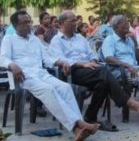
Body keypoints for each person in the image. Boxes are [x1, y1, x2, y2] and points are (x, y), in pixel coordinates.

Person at [0, 10, 100, 141]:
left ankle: (79, 128)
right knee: (49, 90)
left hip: (40, 74)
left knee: (65, 88)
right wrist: (12, 65)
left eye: (29, 22)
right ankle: (78, 126)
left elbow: (47, 59)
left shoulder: (35, 40)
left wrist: (62, 62)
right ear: (15, 26)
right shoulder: (9, 39)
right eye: (24, 23)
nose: (28, 25)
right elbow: (2, 58)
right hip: (22, 77)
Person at [49, 10, 139, 123]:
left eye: (76, 20)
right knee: (103, 71)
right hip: (72, 71)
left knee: (103, 83)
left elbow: (92, 54)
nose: (76, 23)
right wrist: (82, 64)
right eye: (72, 21)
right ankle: (127, 101)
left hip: (90, 69)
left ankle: (90, 117)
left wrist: (93, 61)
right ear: (61, 23)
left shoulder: (80, 38)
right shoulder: (56, 41)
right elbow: (59, 60)